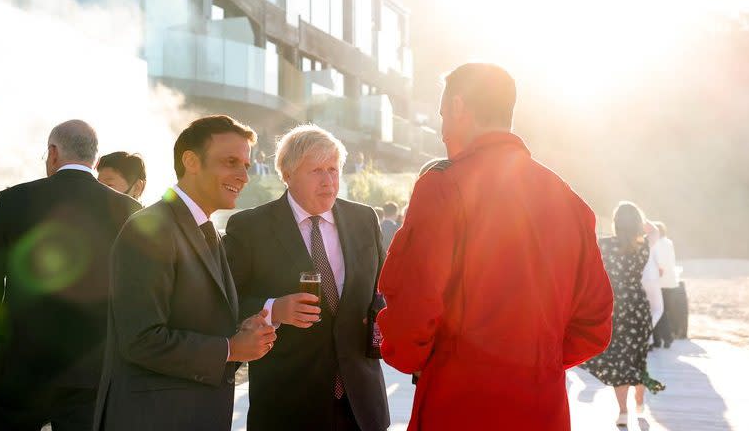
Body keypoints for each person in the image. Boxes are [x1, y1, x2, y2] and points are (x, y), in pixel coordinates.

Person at [378, 63, 613, 430]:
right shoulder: (569, 201)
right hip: (542, 407)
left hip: (460, 403)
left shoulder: (442, 186)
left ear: (458, 107)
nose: (442, 131)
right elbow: (595, 324)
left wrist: (423, 359)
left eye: (442, 115)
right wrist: (537, 360)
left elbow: (412, 307)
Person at [94, 115, 277, 431]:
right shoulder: (149, 229)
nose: (243, 176)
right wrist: (231, 348)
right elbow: (141, 339)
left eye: (246, 165)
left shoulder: (206, 229)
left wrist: (240, 328)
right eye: (231, 162)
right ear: (191, 161)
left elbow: (193, 317)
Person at [0, 120, 141, 431]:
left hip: (17, 364)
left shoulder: (14, 199)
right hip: (92, 369)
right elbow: (135, 292)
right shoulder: (128, 209)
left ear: (52, 153)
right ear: (96, 161)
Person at [224, 124, 390, 431]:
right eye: (316, 170)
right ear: (287, 174)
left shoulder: (364, 219)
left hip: (361, 405)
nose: (328, 181)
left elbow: (382, 289)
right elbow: (224, 302)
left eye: (333, 169)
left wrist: (382, 312)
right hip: (288, 405)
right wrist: (275, 309)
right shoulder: (249, 228)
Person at [582, 202, 665, 427]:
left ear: (616, 223)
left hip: (615, 306)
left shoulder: (605, 245)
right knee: (637, 355)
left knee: (619, 359)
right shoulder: (644, 244)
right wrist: (641, 222)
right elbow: (655, 230)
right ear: (637, 223)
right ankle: (639, 400)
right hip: (638, 307)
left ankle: (623, 411)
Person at [652, 221, 679, 348]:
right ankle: (661, 339)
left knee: (658, 311)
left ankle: (663, 338)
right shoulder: (668, 242)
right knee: (663, 311)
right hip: (670, 282)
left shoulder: (657, 244)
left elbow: (660, 264)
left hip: (660, 282)